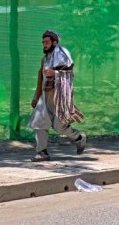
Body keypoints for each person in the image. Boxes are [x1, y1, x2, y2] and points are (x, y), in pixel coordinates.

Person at [28, 30, 86, 162]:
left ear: (54, 42)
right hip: (45, 97)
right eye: (43, 42)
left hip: (59, 98)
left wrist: (54, 73)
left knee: (60, 128)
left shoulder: (62, 55)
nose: (44, 44)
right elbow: (40, 78)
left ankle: (79, 138)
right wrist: (36, 97)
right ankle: (42, 152)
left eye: (47, 42)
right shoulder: (45, 59)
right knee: (39, 124)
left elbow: (69, 73)